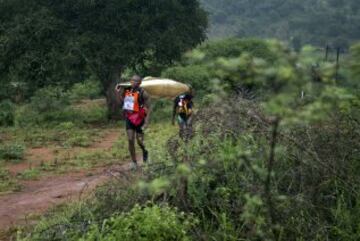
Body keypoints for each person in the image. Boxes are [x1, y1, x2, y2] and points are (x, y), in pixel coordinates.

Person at [115, 75, 150, 170]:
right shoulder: (127, 91)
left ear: (140, 83)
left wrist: (146, 122)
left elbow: (148, 108)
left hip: (139, 118)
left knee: (140, 141)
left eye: (136, 81)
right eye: (132, 81)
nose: (133, 82)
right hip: (129, 118)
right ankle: (134, 162)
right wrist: (117, 93)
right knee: (130, 140)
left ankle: (145, 153)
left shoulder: (143, 92)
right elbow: (121, 103)